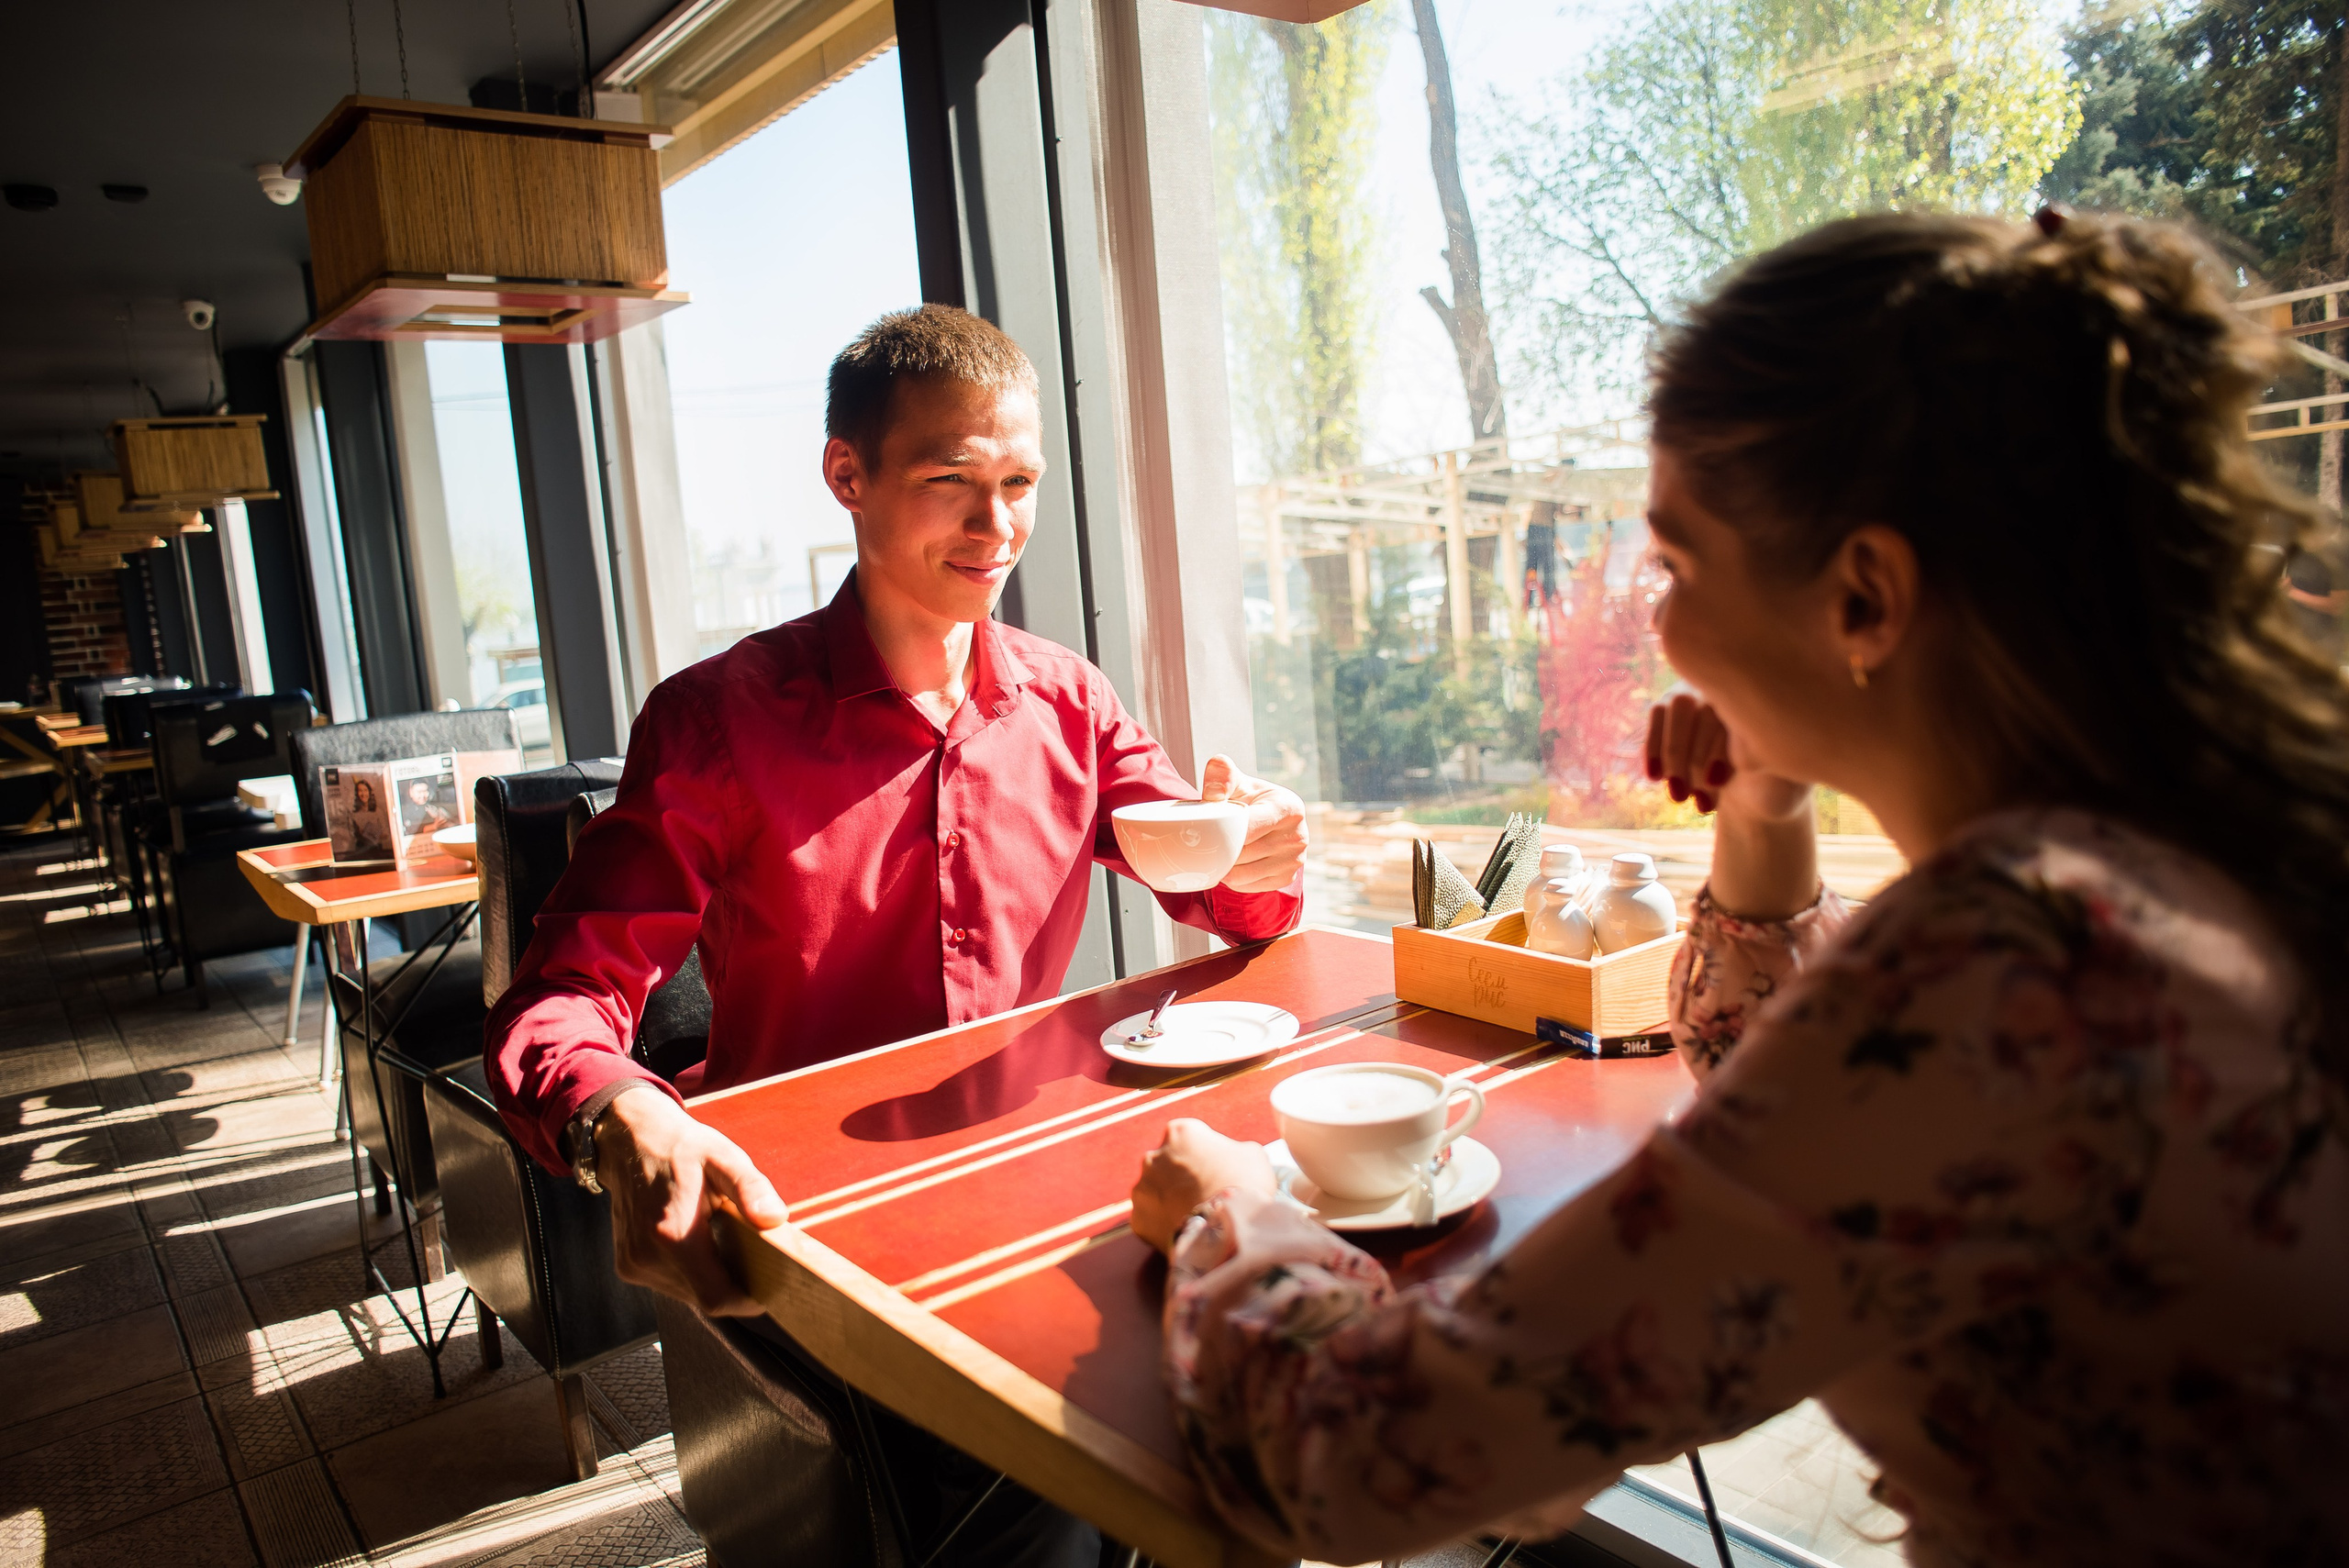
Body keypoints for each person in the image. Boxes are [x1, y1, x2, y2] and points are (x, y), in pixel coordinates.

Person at [1130, 211, 2349, 1567]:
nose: (1657, 621)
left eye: (1678, 562)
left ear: (1868, 598)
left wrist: (1242, 1215)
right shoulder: (2183, 857)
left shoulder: (2019, 956)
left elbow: (1361, 1462)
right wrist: (1769, 798)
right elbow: (1822, 1087)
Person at [485, 305, 1308, 1565]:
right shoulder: (717, 721)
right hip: (821, 1244)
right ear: (847, 477)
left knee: (1262, 1402)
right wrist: (618, 1113)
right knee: (1067, 1489)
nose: (999, 527)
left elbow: (1207, 876)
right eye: (953, 484)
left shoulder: (1072, 702)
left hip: (1049, 1194)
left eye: (1019, 483)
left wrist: (1257, 847)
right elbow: (561, 999)